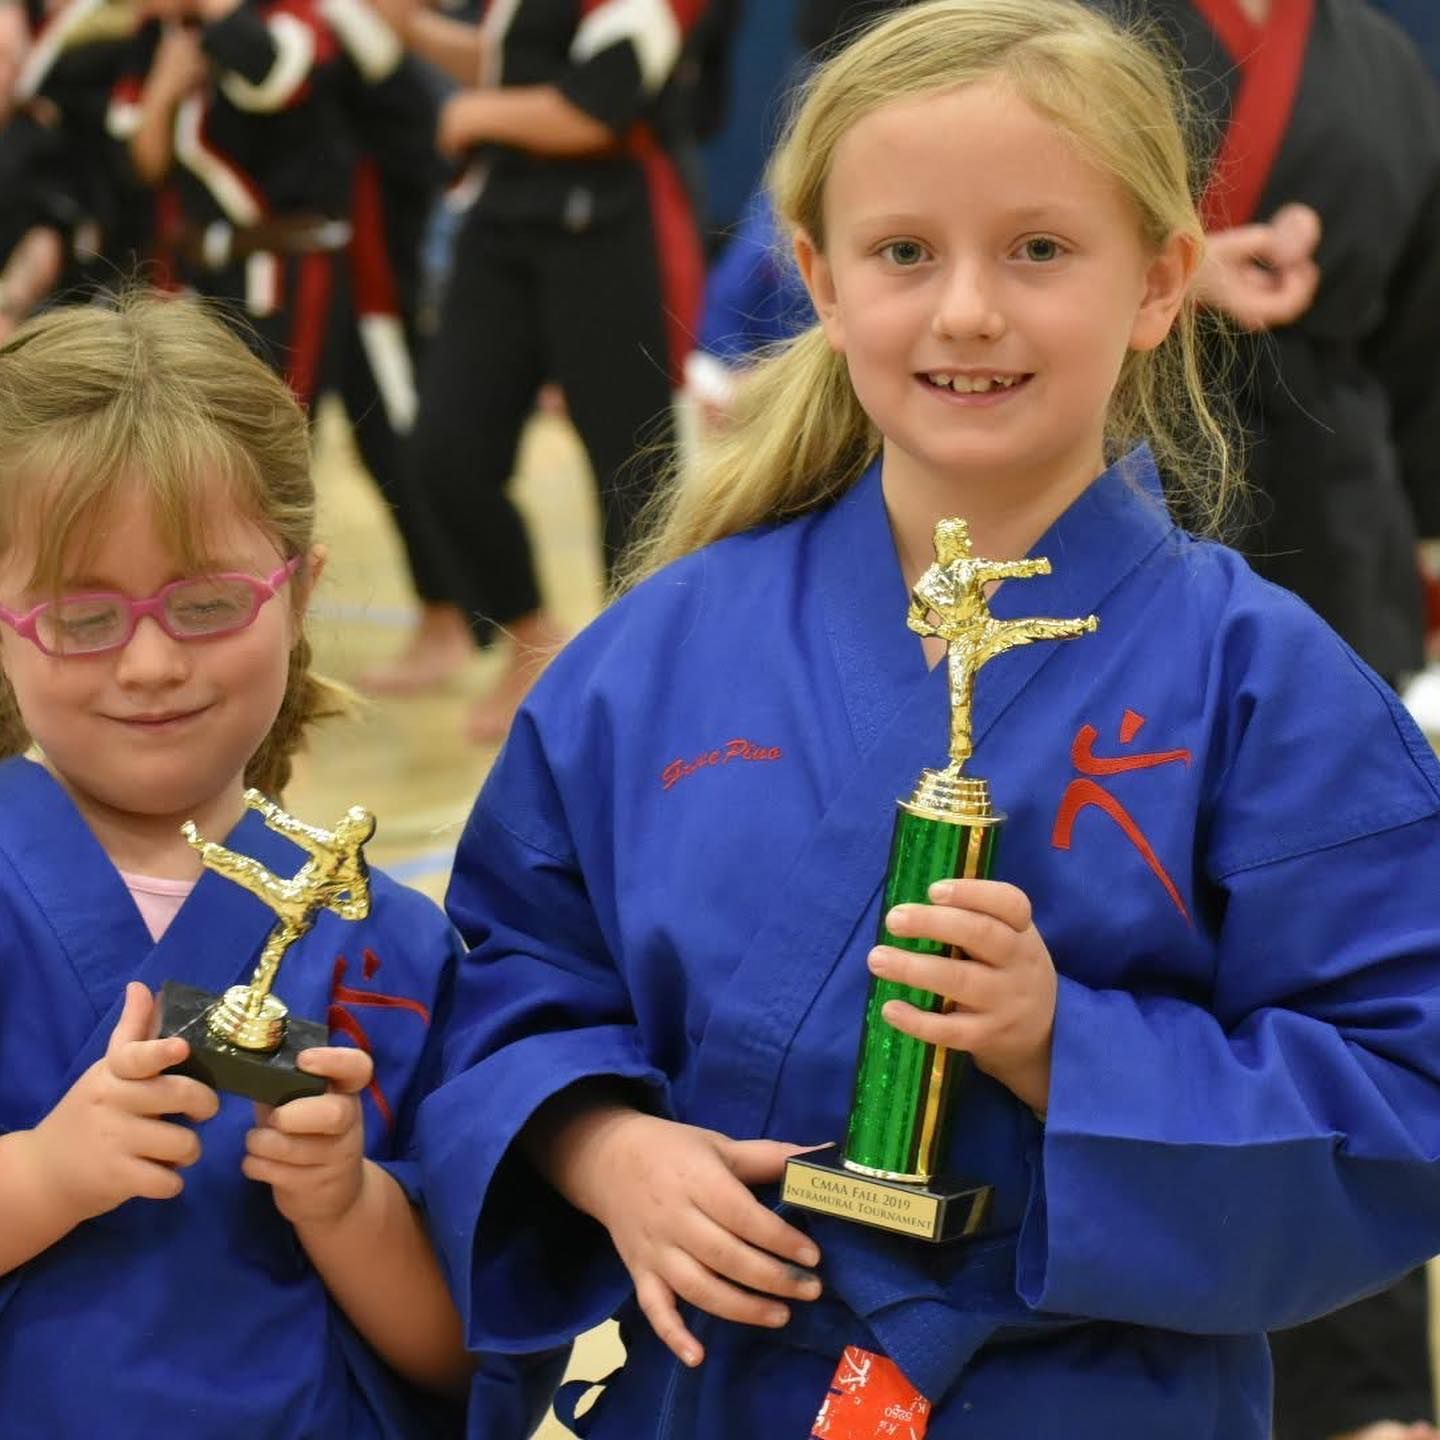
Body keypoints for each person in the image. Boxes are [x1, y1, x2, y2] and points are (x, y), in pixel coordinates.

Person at [415, 2, 1440, 1436]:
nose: (968, 310)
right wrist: (597, 1147)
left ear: (1160, 282)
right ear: (821, 284)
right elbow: (501, 977)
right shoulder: (661, 650)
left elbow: (1405, 1089)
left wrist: (1064, 1046)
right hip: (716, 1382)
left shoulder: (1260, 680)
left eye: (1039, 249)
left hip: (1084, 1395)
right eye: (905, 253)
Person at [0, 293, 556, 1437]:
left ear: (299, 593)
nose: (150, 663)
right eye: (84, 619)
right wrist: (48, 1177)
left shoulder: (393, 948)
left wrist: (349, 1205)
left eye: (206, 604)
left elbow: (466, 1358)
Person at [362, 0, 707, 741]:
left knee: (633, 468)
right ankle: (530, 638)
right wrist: (418, 33)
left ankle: (643, 677)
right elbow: (514, 66)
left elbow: (593, 107)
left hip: (609, 228)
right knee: (444, 450)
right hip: (503, 223)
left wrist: (475, 115)